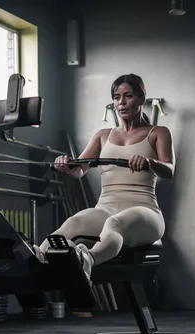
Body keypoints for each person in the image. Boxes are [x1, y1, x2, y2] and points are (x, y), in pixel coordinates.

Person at [33, 73, 175, 284]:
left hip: (145, 212)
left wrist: (149, 162)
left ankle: (87, 260)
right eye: (117, 97)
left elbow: (169, 170)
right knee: (74, 222)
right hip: (106, 208)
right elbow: (78, 170)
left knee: (114, 223)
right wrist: (65, 164)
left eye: (128, 96)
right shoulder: (102, 135)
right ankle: (39, 259)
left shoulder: (158, 132)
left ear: (141, 98)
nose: (122, 102)